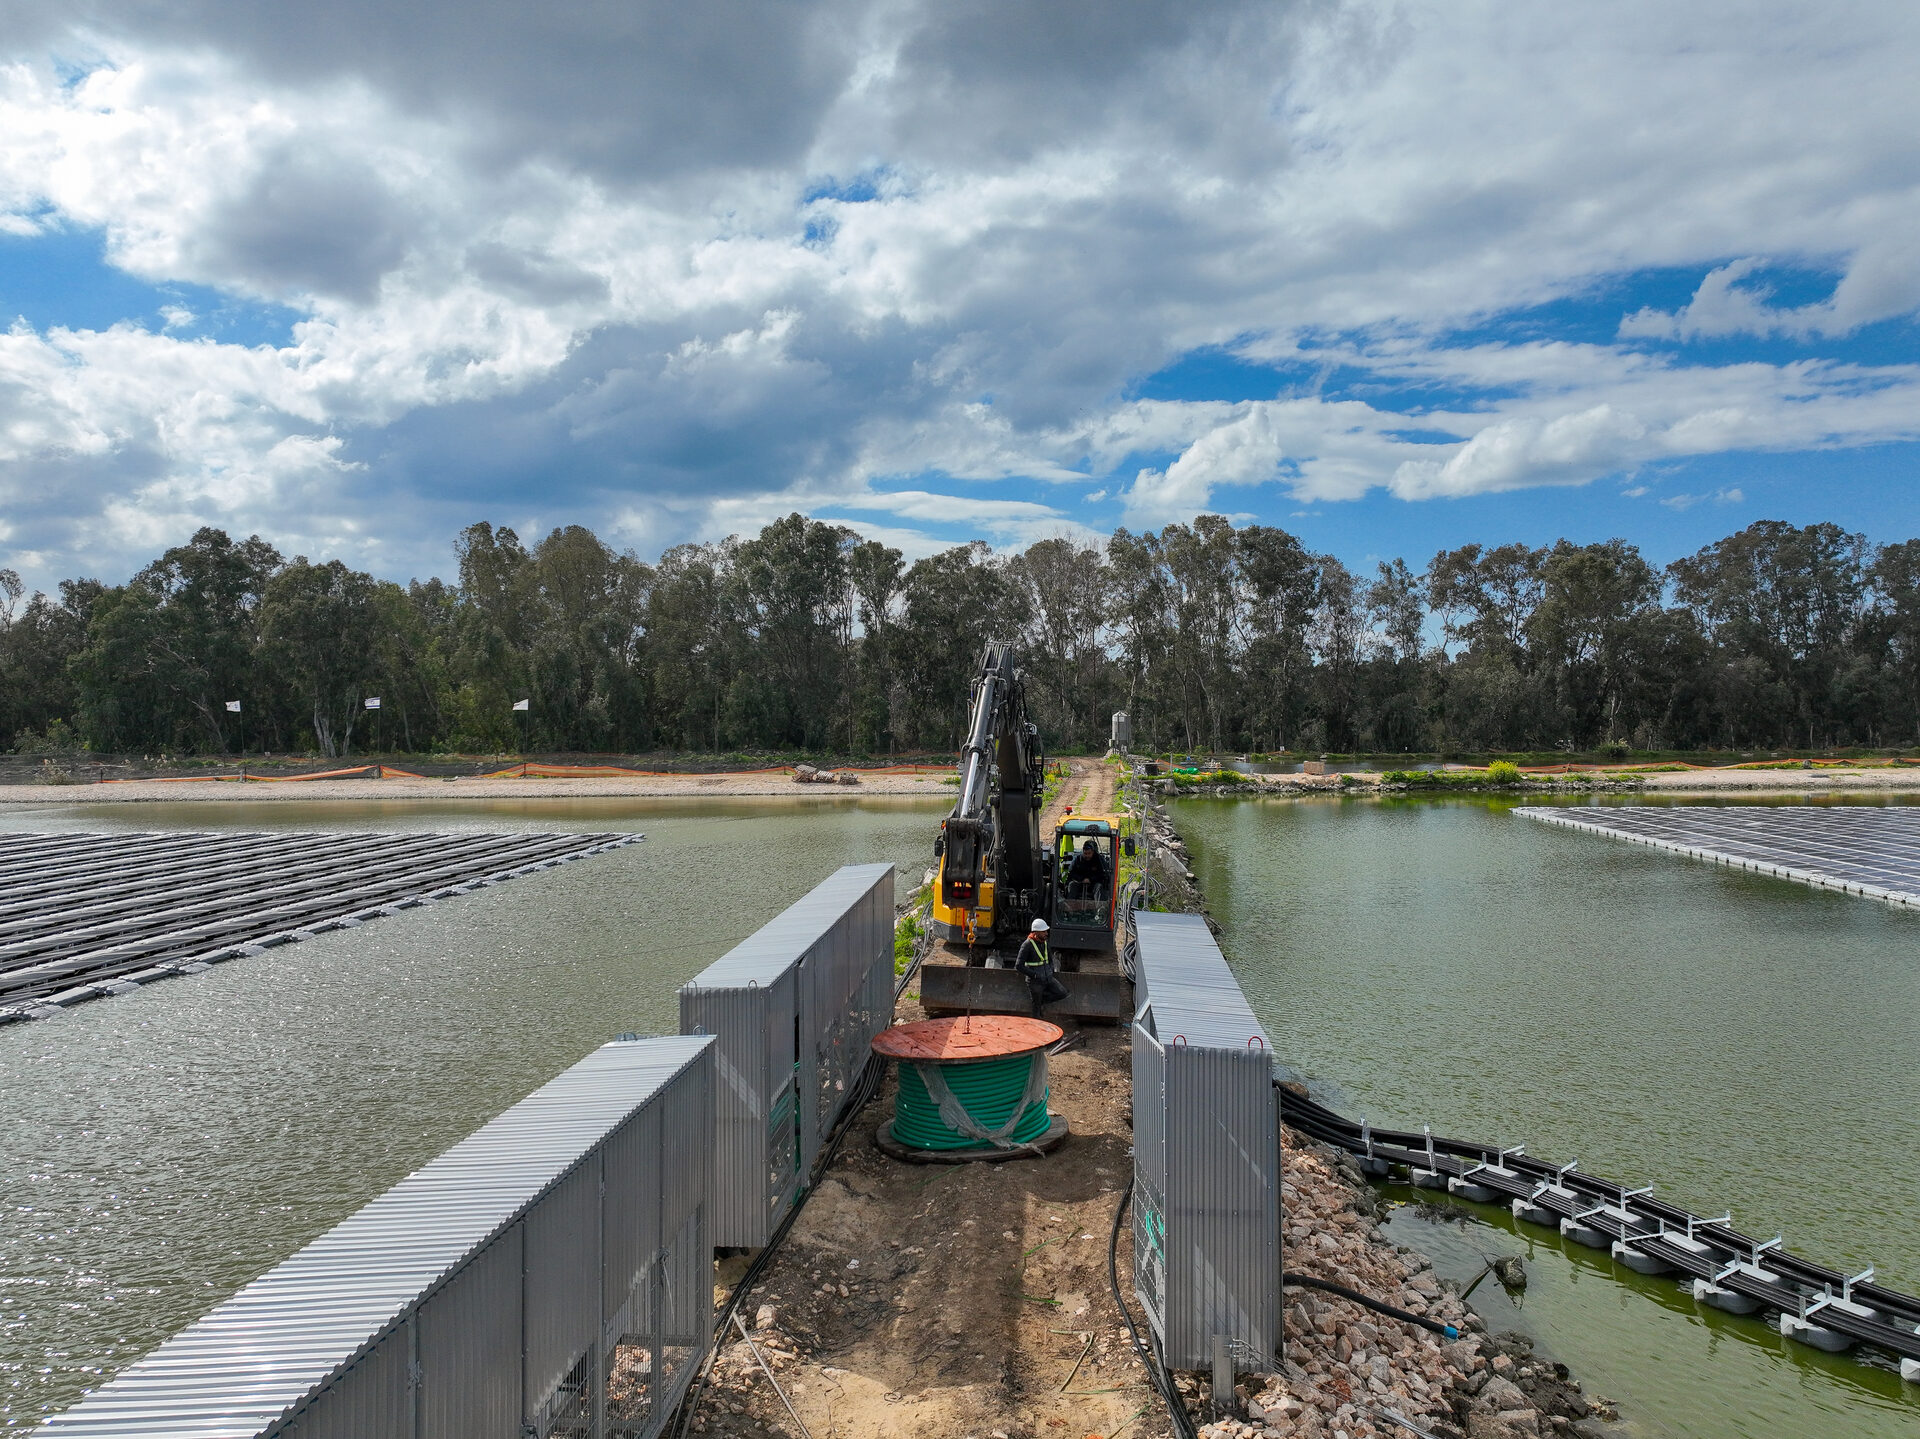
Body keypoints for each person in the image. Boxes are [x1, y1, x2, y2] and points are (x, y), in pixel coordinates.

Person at [1015, 918, 1067, 1017]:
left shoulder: (1045, 943)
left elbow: (1050, 959)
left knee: (1062, 993)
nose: (1046, 933)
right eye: (1043, 931)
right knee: (1036, 1010)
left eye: (1046, 931)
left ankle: (1041, 1001)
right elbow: (1018, 966)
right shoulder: (1027, 945)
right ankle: (1037, 1023)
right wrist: (1034, 975)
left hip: (1047, 977)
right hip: (1035, 982)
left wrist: (1050, 970)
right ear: (1036, 932)